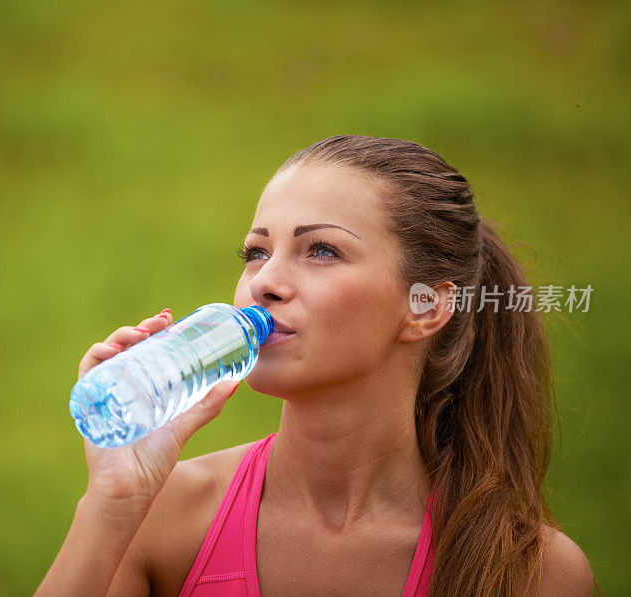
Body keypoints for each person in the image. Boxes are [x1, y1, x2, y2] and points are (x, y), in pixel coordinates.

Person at [37, 135, 598, 596]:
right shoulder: (165, 516)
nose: (264, 283)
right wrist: (112, 504)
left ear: (425, 306)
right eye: (257, 252)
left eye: (321, 251)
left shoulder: (531, 573)